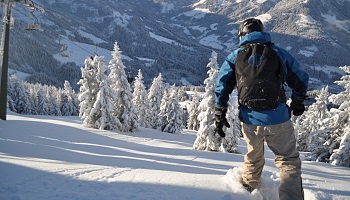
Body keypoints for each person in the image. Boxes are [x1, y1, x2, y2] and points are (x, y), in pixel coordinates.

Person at [214, 18, 308, 200]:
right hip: (278, 118)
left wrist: (220, 112)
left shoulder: (235, 56)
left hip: (250, 120)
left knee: (253, 159)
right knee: (288, 161)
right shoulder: (278, 53)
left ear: (241, 35)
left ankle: (246, 194)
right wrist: (297, 101)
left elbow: (222, 86)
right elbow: (301, 78)